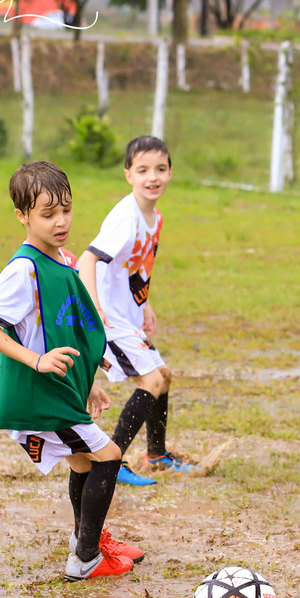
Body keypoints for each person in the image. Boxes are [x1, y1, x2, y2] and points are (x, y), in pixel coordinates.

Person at [0, 161, 143, 581]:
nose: (61, 221)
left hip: (62, 391)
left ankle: (87, 540)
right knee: (108, 456)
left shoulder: (63, 258)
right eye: (48, 214)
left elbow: (66, 325)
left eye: (66, 209)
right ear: (23, 216)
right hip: (39, 398)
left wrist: (87, 379)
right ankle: (86, 557)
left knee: (83, 463)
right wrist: (37, 361)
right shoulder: (23, 270)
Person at [78, 136, 194, 486]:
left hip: (126, 314)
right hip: (106, 317)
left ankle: (156, 455)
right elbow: (87, 259)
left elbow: (133, 267)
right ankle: (113, 461)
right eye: (142, 170)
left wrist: (146, 305)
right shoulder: (125, 216)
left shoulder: (154, 217)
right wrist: (96, 310)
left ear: (170, 172)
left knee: (164, 375)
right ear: (128, 174)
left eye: (159, 169)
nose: (152, 177)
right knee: (152, 380)